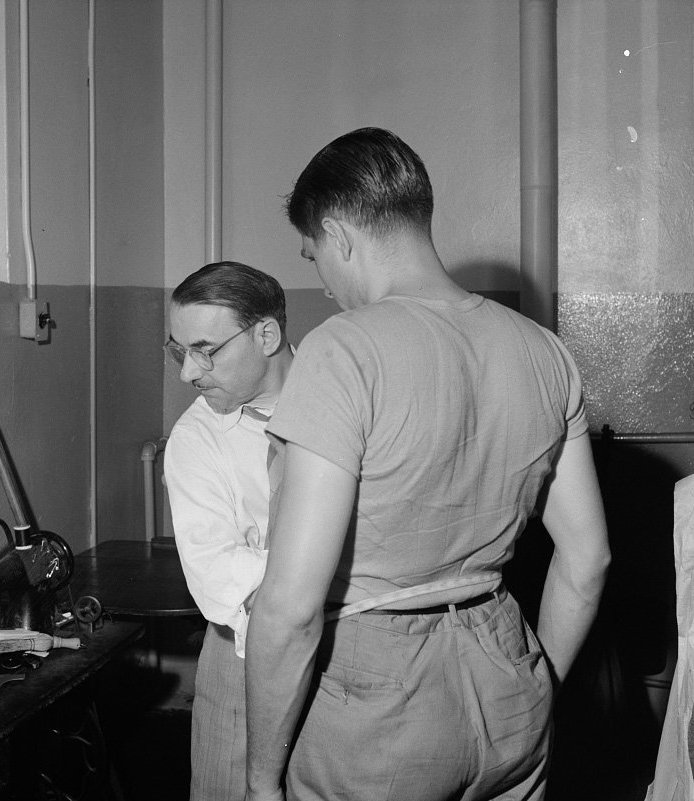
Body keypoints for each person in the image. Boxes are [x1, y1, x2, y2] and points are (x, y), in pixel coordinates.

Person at [244, 128, 611, 801]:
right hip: (505, 666)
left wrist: (261, 779)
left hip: (376, 699)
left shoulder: (341, 349)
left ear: (338, 234)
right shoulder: (543, 349)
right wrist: (534, 689)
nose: (322, 283)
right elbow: (587, 561)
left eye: (314, 255)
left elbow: (291, 606)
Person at [162, 261, 295, 801]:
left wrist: (274, 565)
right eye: (178, 350)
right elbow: (219, 577)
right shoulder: (195, 437)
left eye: (205, 350)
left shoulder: (346, 400)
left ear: (267, 334)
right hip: (240, 659)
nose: (187, 373)